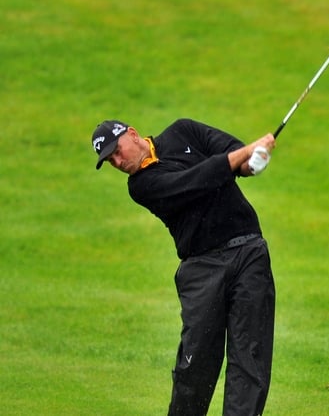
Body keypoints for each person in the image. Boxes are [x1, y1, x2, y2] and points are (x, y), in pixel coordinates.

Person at [92, 118, 277, 415]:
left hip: (248, 251)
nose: (116, 161)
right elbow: (195, 181)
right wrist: (241, 157)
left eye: (116, 151)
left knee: (250, 357)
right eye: (109, 159)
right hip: (202, 269)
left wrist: (254, 160)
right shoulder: (141, 186)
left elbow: (236, 155)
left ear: (133, 134)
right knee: (196, 364)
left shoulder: (183, 131)